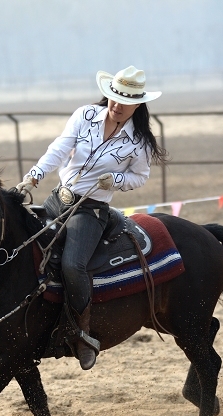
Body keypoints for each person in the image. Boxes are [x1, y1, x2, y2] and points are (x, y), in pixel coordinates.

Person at [16, 65, 167, 370]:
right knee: (26, 247)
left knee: (73, 264)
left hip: (90, 212)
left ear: (138, 105)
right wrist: (32, 177)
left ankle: (81, 333)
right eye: (113, 96)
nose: (117, 105)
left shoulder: (138, 142)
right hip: (58, 200)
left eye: (125, 100)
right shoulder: (85, 115)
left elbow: (139, 177)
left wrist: (116, 179)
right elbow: (59, 148)